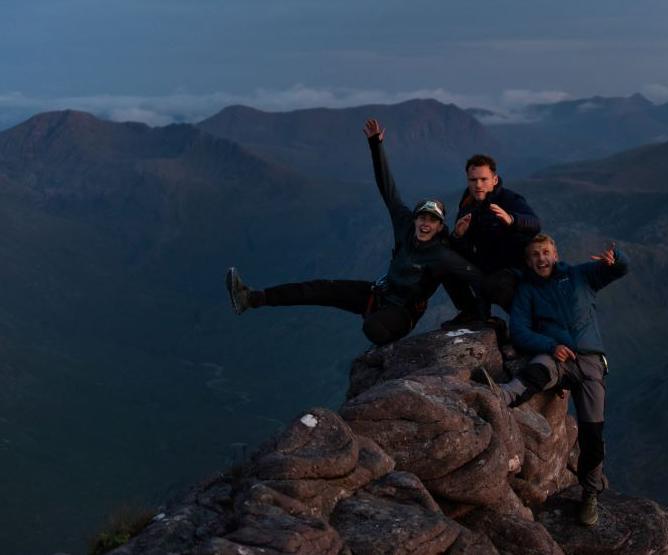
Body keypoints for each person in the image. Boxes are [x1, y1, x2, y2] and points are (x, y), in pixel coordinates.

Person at [225, 118, 485, 346]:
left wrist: (501, 302)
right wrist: (376, 146)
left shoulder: (442, 254)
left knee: (372, 328)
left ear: (440, 226)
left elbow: (475, 276)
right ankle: (250, 298)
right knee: (319, 289)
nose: (425, 223)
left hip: (402, 314)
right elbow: (387, 187)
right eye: (422, 217)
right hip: (378, 294)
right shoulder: (405, 225)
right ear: (415, 218)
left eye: (432, 220)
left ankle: (387, 346)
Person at [489, 233, 628, 527]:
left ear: (555, 254)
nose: (541, 258)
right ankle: (500, 396)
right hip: (557, 358)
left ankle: (590, 494)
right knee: (538, 371)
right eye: (535, 255)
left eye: (546, 252)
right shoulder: (527, 292)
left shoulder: (579, 276)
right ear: (529, 261)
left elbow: (618, 270)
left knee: (593, 434)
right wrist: (549, 345)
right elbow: (519, 331)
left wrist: (618, 259)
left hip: (589, 362)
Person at [443, 153, 541, 322]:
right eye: (473, 180)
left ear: (494, 180)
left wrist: (512, 220)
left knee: (498, 286)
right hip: (483, 266)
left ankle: (529, 323)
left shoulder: (509, 199)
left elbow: (535, 224)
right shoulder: (467, 206)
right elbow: (463, 249)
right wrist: (458, 236)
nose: (478, 185)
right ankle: (472, 311)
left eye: (483, 179)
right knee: (443, 261)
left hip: (512, 268)